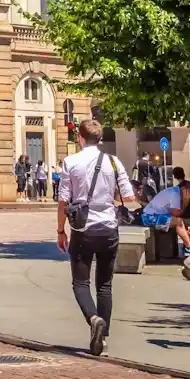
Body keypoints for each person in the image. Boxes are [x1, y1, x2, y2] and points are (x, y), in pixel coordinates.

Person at [57, 118, 136, 356]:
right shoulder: (113, 162)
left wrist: (60, 230)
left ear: (80, 138)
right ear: (99, 139)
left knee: (80, 282)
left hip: (83, 230)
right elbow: (129, 197)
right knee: (105, 285)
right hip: (109, 228)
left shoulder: (71, 162)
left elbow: (63, 200)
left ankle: (93, 319)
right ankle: (104, 341)